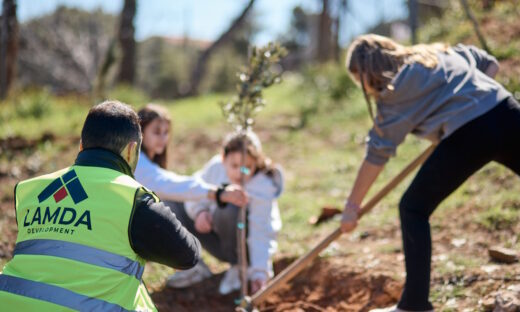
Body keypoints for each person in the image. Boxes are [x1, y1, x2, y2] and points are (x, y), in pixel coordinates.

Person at [340, 34, 520, 312]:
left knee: (413, 207)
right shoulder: (439, 54)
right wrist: (463, 99)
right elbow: (489, 64)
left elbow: (377, 153)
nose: (361, 85)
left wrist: (352, 207)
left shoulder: (394, 91)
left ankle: (413, 305)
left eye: (357, 78)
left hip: (471, 133)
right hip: (507, 110)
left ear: (367, 71)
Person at [0, 101, 201, 311]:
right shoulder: (133, 199)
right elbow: (187, 256)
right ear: (132, 152)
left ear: (81, 145)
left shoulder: (30, 189)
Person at [166, 131, 283, 295]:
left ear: (257, 162)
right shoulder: (215, 168)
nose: (240, 174)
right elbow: (192, 190)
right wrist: (200, 211)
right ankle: (194, 266)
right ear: (223, 158)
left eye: (247, 167)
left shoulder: (263, 186)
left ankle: (240, 266)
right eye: (234, 166)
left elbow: (261, 231)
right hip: (217, 240)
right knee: (171, 201)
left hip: (245, 247)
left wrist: (260, 273)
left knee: (229, 208)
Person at [135, 104, 248, 213]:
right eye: (156, 132)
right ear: (141, 132)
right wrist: (217, 193)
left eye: (166, 132)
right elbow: (167, 184)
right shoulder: (138, 163)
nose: (163, 138)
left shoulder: (147, 162)